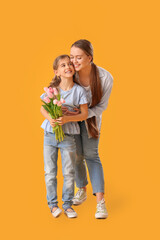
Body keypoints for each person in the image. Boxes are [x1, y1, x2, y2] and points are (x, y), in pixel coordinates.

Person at [68, 39, 113, 219]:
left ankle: (100, 202)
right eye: (72, 57)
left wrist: (82, 114)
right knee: (76, 155)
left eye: (78, 57)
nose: (74, 62)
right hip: (71, 120)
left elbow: (102, 106)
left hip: (91, 120)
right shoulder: (69, 73)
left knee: (92, 155)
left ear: (90, 57)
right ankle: (82, 189)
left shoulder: (105, 78)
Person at [40, 55, 88, 218]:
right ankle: (53, 205)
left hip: (68, 136)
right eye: (63, 65)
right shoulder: (52, 89)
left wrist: (67, 118)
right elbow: (43, 108)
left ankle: (67, 204)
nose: (68, 67)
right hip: (49, 135)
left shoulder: (79, 90)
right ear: (57, 71)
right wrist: (50, 119)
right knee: (50, 171)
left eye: (69, 64)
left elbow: (84, 114)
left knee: (68, 171)